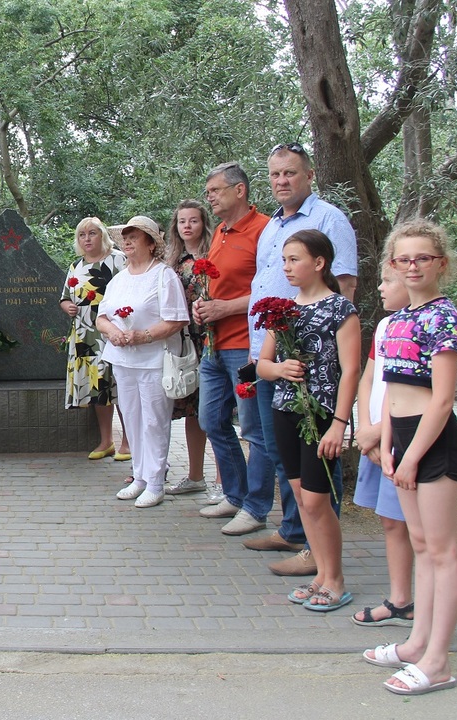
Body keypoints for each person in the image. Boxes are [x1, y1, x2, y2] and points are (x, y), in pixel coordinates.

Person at [244, 143, 359, 575]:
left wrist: (318, 352)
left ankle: (321, 554)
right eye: (274, 175)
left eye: (290, 173)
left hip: (316, 372)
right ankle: (296, 531)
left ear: (309, 175)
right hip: (271, 354)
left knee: (318, 470)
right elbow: (266, 284)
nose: (281, 182)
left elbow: (343, 285)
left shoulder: (329, 218)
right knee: (280, 455)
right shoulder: (272, 226)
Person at [364, 219, 457, 696]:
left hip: (434, 440)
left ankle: (439, 660)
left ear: (440, 264)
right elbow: (391, 389)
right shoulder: (399, 319)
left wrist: (410, 458)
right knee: (422, 546)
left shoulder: (442, 316)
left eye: (422, 258)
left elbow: (443, 399)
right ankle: (417, 642)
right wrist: (388, 446)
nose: (412, 266)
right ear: (392, 264)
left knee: (442, 552)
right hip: (402, 439)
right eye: (403, 259)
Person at [256, 231, 360, 612]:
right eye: (284, 260)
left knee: (318, 500)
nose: (287, 267)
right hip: (286, 411)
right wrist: (280, 368)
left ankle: (335, 579)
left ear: (320, 263)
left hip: (320, 417)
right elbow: (263, 366)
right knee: (301, 497)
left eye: (294, 259)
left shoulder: (340, 309)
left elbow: (351, 371)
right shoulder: (283, 310)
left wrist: (339, 424)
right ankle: (319, 572)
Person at [192, 163, 273, 536]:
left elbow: (271, 291)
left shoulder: (266, 230)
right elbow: (218, 284)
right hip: (214, 344)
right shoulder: (220, 232)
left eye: (215, 190)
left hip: (247, 345)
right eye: (208, 191)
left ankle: (256, 507)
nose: (210, 197)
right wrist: (204, 305)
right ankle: (235, 494)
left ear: (239, 190)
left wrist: (227, 307)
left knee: (254, 429)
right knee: (211, 420)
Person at [98, 216, 190, 508]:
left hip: (154, 360)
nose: (127, 241)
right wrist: (113, 331)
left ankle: (155, 480)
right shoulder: (119, 279)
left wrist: (144, 335)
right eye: (125, 237)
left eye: (134, 236)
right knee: (132, 418)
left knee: (154, 420)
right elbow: (102, 317)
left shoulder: (164, 276)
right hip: (123, 360)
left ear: (151, 244)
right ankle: (139, 475)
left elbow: (176, 320)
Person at [351, 264, 415, 628]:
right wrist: (365, 429)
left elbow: (404, 386)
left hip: (399, 439)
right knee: (391, 522)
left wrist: (379, 433)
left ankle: (416, 603)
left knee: (414, 528)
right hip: (376, 439)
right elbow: (370, 377)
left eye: (388, 281)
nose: (380, 288)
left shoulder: (420, 325)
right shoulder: (385, 326)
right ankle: (399, 599)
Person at [59, 216, 130, 462]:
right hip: (83, 334)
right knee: (98, 387)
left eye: (92, 233)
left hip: (112, 331)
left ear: (103, 235)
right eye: (82, 234)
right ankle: (106, 440)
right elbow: (65, 296)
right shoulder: (75, 266)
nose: (87, 238)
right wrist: (67, 306)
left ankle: (128, 441)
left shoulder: (118, 259)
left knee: (119, 385)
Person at [163, 200, 217, 501]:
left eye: (193, 220)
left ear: (203, 223)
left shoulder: (215, 254)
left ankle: (225, 481)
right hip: (184, 343)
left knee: (217, 412)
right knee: (193, 412)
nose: (187, 226)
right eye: (182, 221)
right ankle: (195, 475)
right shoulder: (173, 261)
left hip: (212, 338)